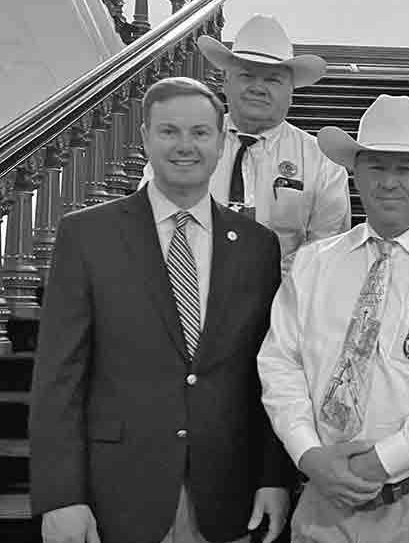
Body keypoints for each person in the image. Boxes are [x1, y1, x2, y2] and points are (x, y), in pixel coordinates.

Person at [29, 77, 296, 543]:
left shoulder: (257, 246)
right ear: (146, 138)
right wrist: (60, 495)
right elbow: (58, 378)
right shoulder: (88, 236)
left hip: (225, 492)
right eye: (169, 131)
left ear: (220, 142)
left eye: (199, 133)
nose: (185, 146)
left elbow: (268, 373)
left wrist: (273, 476)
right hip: (116, 492)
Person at [257, 94, 409, 542]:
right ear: (355, 173)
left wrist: (376, 465)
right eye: (376, 166)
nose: (389, 182)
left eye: (405, 167)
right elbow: (281, 365)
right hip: (323, 506)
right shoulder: (314, 264)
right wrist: (308, 454)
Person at [140, 14, 352, 273]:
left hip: (282, 303)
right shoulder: (182, 147)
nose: (258, 88)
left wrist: (277, 299)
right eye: (246, 75)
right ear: (226, 82)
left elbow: (326, 254)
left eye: (272, 79)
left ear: (291, 91)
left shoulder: (322, 162)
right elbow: (151, 221)